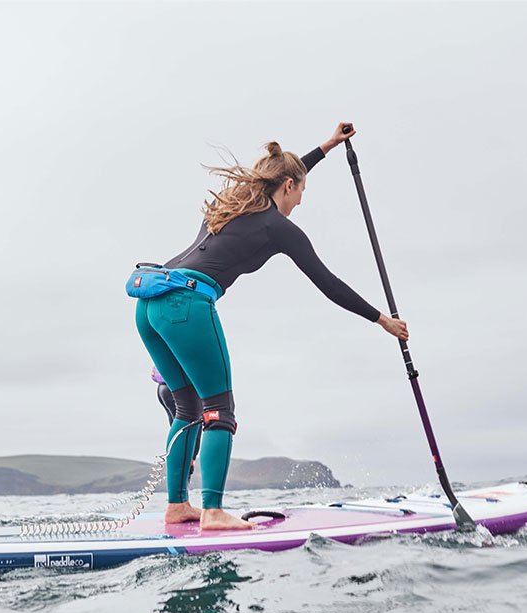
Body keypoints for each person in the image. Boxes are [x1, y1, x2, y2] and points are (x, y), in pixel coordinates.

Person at [134, 122, 410, 530]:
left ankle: (178, 505)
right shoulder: (277, 227)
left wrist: (328, 146)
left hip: (149, 302)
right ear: (287, 186)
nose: (300, 202)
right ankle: (212, 511)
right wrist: (381, 319)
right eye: (300, 192)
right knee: (218, 411)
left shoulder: (233, 203)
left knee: (187, 407)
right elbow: (328, 282)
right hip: (187, 304)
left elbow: (281, 174)